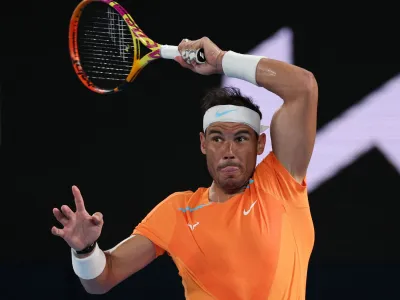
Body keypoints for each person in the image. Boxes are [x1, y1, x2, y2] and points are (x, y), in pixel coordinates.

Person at [51, 37, 318, 300]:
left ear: (259, 144)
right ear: (203, 144)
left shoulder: (280, 184)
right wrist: (85, 250)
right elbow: (101, 280)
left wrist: (222, 60)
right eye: (217, 138)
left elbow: (303, 87)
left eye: (240, 138)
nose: (228, 151)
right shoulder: (178, 212)